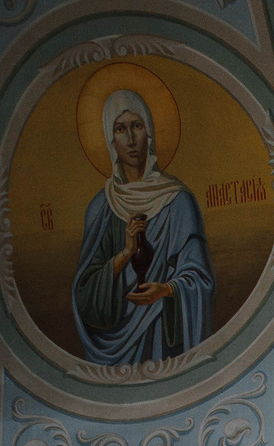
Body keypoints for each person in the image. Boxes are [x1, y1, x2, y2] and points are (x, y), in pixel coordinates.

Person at [71, 87, 215, 366]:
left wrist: (166, 290)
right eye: (120, 129)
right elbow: (84, 293)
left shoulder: (178, 201)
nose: (131, 138)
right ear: (110, 140)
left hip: (163, 335)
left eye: (137, 126)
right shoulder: (100, 208)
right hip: (113, 347)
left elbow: (200, 278)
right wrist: (124, 254)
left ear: (149, 133)